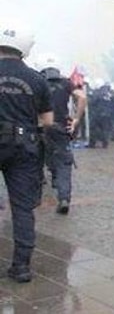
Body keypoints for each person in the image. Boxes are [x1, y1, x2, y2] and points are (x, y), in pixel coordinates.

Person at [0, 19, 55, 282]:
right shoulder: (36, 79)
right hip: (24, 147)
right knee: (22, 208)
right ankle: (21, 267)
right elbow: (47, 121)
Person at [39, 56, 87, 215]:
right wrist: (76, 120)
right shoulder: (66, 82)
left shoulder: (37, 81)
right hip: (61, 127)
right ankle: (64, 198)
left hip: (40, 127)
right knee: (64, 164)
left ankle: (33, 198)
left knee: (37, 160)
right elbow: (82, 97)